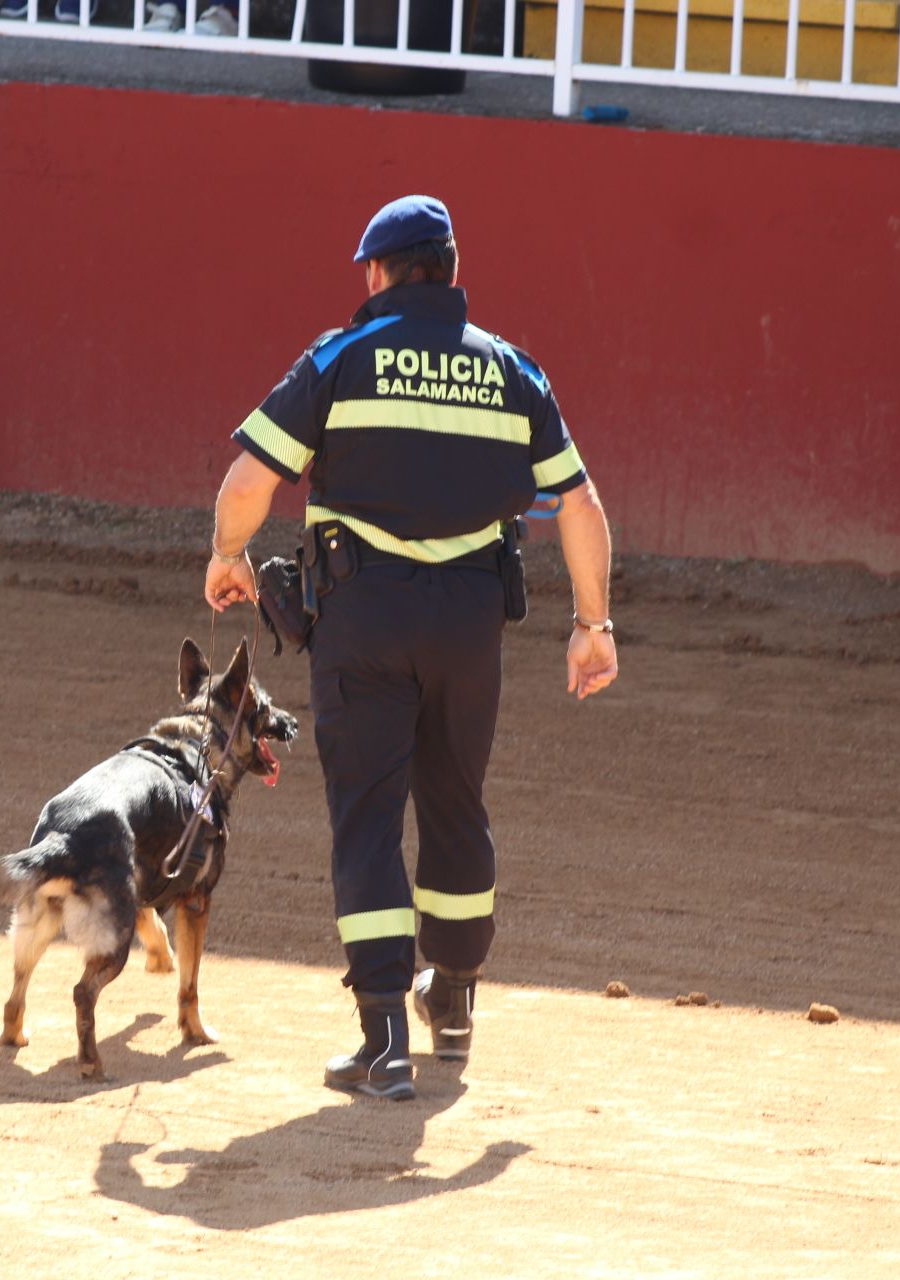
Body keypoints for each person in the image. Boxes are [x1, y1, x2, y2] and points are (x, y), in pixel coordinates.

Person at [202, 195, 618, 1100]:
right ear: (455, 272)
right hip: (470, 623)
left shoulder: (342, 357)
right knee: (457, 805)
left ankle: (385, 1039)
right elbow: (580, 508)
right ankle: (455, 1007)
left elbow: (251, 477)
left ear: (378, 275)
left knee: (369, 817)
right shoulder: (512, 372)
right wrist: (594, 626)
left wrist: (230, 557)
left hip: (364, 620)